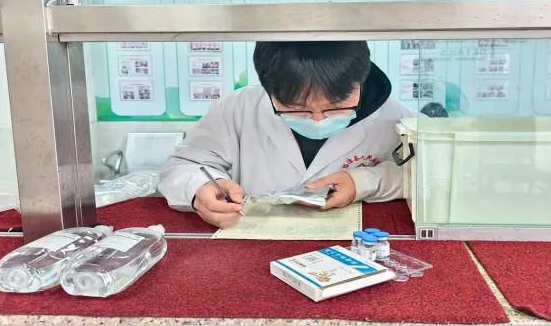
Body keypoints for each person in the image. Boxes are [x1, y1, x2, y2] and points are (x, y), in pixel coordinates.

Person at [159, 41, 413, 228]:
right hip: (251, 249)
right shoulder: (238, 108)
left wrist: (364, 182)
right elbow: (183, 165)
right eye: (297, 108)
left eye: (335, 107)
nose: (317, 120)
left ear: (361, 82)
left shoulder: (398, 119)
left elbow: (426, 176)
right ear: (268, 89)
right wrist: (200, 189)